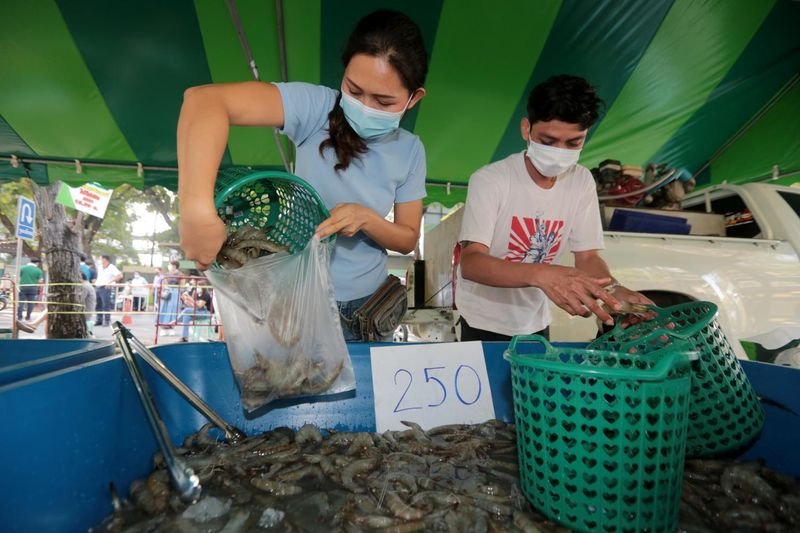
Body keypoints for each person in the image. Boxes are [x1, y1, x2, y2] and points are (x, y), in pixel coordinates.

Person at [177, 10, 428, 340]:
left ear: (414, 98)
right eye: (354, 91)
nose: (365, 106)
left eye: (383, 101)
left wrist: (367, 219)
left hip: (368, 309)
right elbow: (204, 101)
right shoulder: (315, 108)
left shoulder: (410, 150)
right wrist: (195, 210)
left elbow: (408, 237)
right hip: (296, 301)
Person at [457, 75, 652, 342]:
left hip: (535, 321)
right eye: (548, 141)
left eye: (573, 143)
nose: (560, 152)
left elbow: (587, 258)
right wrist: (541, 273)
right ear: (527, 129)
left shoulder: (581, 180)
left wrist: (614, 290)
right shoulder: (492, 179)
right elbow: (472, 263)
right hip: (483, 321)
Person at [94, 255, 122, 327]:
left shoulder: (111, 267)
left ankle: (107, 320)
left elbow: (119, 276)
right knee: (98, 305)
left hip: (105, 288)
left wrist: (110, 282)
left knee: (106, 305)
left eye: (101, 259)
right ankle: (99, 320)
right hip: (98, 286)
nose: (100, 260)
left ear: (105, 259)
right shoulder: (100, 267)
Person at [157, 261, 181, 335]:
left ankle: (171, 328)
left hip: (175, 293)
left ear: (174, 266)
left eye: (170, 265)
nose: (169, 266)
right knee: (164, 309)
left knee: (173, 310)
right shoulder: (166, 274)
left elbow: (182, 285)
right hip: (167, 292)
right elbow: (164, 283)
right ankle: (163, 328)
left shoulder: (180, 274)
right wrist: (164, 291)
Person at [17, 257, 43, 322]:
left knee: (21, 302)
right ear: (37, 263)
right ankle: (28, 317)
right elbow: (40, 281)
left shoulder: (22, 268)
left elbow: (19, 276)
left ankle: (19, 317)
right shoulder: (39, 270)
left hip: (23, 286)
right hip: (33, 288)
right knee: (31, 303)